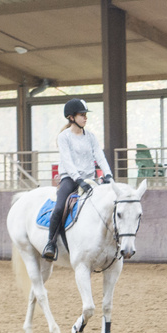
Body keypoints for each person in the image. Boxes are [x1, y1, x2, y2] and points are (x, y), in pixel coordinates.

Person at [43, 98, 112, 262]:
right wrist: (78, 180)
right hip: (70, 179)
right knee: (59, 207)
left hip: (89, 179)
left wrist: (108, 175)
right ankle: (50, 243)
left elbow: (100, 157)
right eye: (82, 115)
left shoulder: (91, 137)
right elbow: (67, 161)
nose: (85, 118)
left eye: (85, 115)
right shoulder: (64, 137)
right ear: (71, 117)